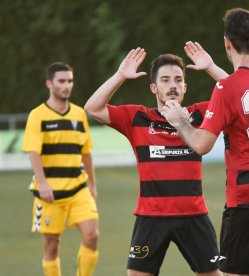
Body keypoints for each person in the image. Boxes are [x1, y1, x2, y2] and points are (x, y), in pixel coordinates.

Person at [162, 8, 249, 276]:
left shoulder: (225, 88)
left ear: (227, 42)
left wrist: (181, 121)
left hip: (248, 199)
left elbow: (202, 144)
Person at [84, 49, 226, 276]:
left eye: (179, 80)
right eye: (165, 80)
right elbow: (92, 108)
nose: (173, 85)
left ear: (185, 88)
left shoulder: (199, 114)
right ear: (154, 88)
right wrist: (120, 75)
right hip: (151, 217)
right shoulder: (137, 118)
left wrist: (210, 67)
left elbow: (238, 94)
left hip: (193, 215)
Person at [22, 62, 99, 276]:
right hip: (50, 194)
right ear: (50, 84)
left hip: (78, 189)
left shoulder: (79, 114)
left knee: (92, 236)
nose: (67, 86)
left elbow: (86, 152)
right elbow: (33, 151)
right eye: (62, 81)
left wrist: (92, 184)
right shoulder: (37, 116)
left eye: (70, 81)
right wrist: (43, 182)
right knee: (52, 245)